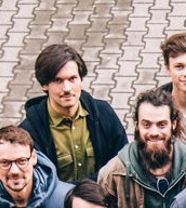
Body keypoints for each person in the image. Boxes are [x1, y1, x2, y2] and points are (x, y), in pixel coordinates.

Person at [98, 88, 186, 208]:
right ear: (137, 125)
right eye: (146, 125)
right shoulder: (113, 174)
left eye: (161, 124)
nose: (154, 132)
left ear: (173, 124)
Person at [20, 44, 128, 182]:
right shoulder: (29, 133)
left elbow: (122, 161)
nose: (67, 88)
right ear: (44, 85)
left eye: (72, 79)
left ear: (81, 79)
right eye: (58, 80)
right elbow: (38, 182)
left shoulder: (104, 113)